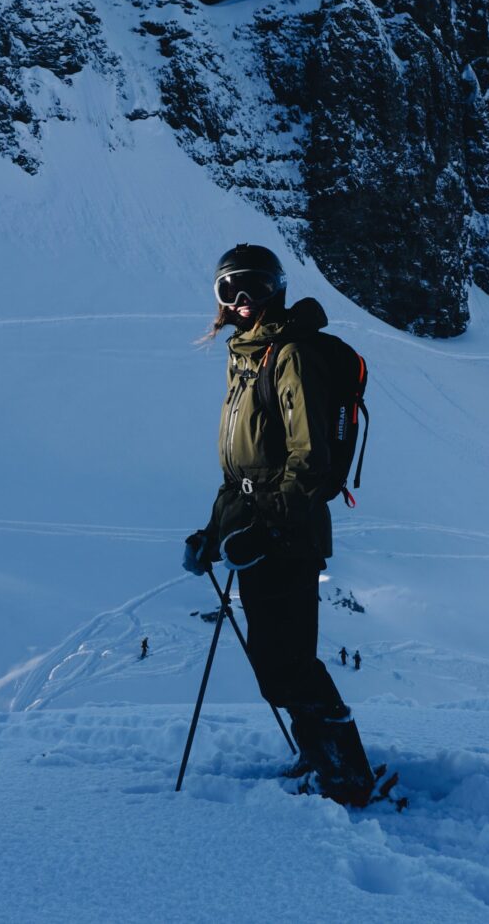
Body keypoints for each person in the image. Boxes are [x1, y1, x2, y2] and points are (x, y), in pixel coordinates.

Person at [182, 243, 375, 807]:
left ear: (279, 288)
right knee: (274, 662)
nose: (242, 299)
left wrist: (268, 530)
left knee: (290, 663)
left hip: (286, 535)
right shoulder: (246, 356)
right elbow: (239, 471)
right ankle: (320, 756)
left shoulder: (290, 354)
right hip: (256, 533)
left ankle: (346, 776)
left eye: (255, 285)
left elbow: (309, 461)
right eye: (229, 288)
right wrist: (213, 534)